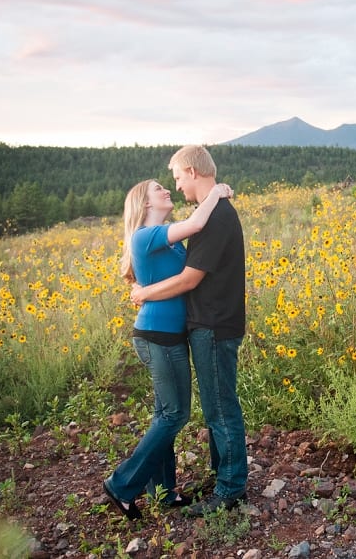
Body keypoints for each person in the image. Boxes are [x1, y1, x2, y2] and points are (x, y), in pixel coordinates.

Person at [103, 177, 232, 521]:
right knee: (176, 415)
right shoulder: (144, 236)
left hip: (167, 335)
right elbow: (197, 223)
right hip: (157, 335)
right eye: (158, 189)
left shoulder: (170, 242)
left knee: (165, 415)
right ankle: (121, 484)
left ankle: (162, 493)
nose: (167, 191)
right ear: (145, 204)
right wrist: (216, 191)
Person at [130, 145, 248, 518]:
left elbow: (189, 278)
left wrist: (143, 294)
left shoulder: (214, 219)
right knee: (214, 407)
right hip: (208, 324)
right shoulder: (209, 213)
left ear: (192, 172)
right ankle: (223, 479)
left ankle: (229, 490)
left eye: (178, 177)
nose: (176, 186)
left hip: (214, 325)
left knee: (220, 409)